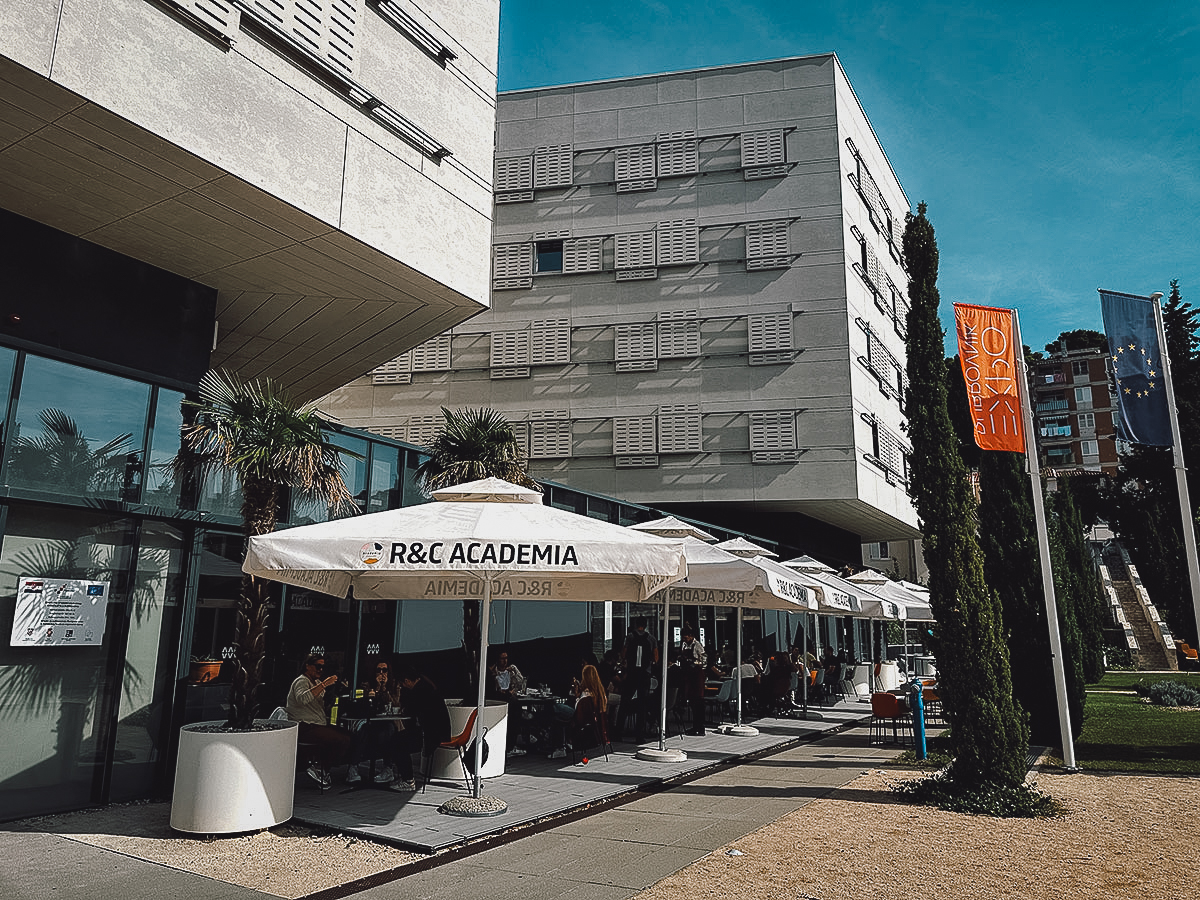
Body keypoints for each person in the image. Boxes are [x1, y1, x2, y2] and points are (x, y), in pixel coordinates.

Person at [285, 654, 351, 787]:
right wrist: (325, 684)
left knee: (347, 736)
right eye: (318, 666)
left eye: (323, 667)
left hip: (316, 724)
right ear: (308, 666)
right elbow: (302, 698)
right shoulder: (302, 681)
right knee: (341, 739)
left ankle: (323, 768)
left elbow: (320, 707)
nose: (320, 670)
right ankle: (320, 768)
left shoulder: (316, 683)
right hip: (304, 726)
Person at [391, 666, 452, 791]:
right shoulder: (427, 686)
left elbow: (410, 713)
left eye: (403, 683)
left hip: (431, 735)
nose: (403, 686)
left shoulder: (419, 691)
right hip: (438, 732)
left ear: (407, 681)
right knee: (399, 739)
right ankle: (404, 776)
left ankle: (408, 780)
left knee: (397, 741)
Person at [346, 659, 405, 784]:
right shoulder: (368, 684)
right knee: (361, 731)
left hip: (388, 720)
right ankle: (353, 767)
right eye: (379, 670)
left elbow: (395, 703)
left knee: (389, 732)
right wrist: (376, 689)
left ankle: (388, 768)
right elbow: (365, 704)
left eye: (385, 670)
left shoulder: (394, 685)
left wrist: (384, 688)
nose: (381, 673)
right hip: (371, 720)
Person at [622, 618, 658, 740]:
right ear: (646, 625)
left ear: (636, 625)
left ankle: (619, 731)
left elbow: (624, 653)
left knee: (625, 700)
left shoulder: (630, 637)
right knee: (642, 704)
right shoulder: (651, 638)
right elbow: (656, 657)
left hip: (632, 673)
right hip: (645, 674)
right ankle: (640, 734)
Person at [488, 650, 528, 757]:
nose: (505, 661)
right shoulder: (493, 672)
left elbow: (521, 682)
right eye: (502, 658)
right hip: (499, 699)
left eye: (506, 658)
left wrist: (514, 670)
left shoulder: (510, 671)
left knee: (516, 709)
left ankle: (513, 743)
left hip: (509, 697)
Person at [678, 625, 706, 736]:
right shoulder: (685, 645)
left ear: (691, 636)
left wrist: (693, 663)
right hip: (689, 676)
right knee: (693, 702)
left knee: (698, 702)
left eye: (686, 638)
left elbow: (703, 660)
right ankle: (695, 726)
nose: (684, 640)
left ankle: (700, 727)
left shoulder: (697, 646)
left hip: (697, 676)